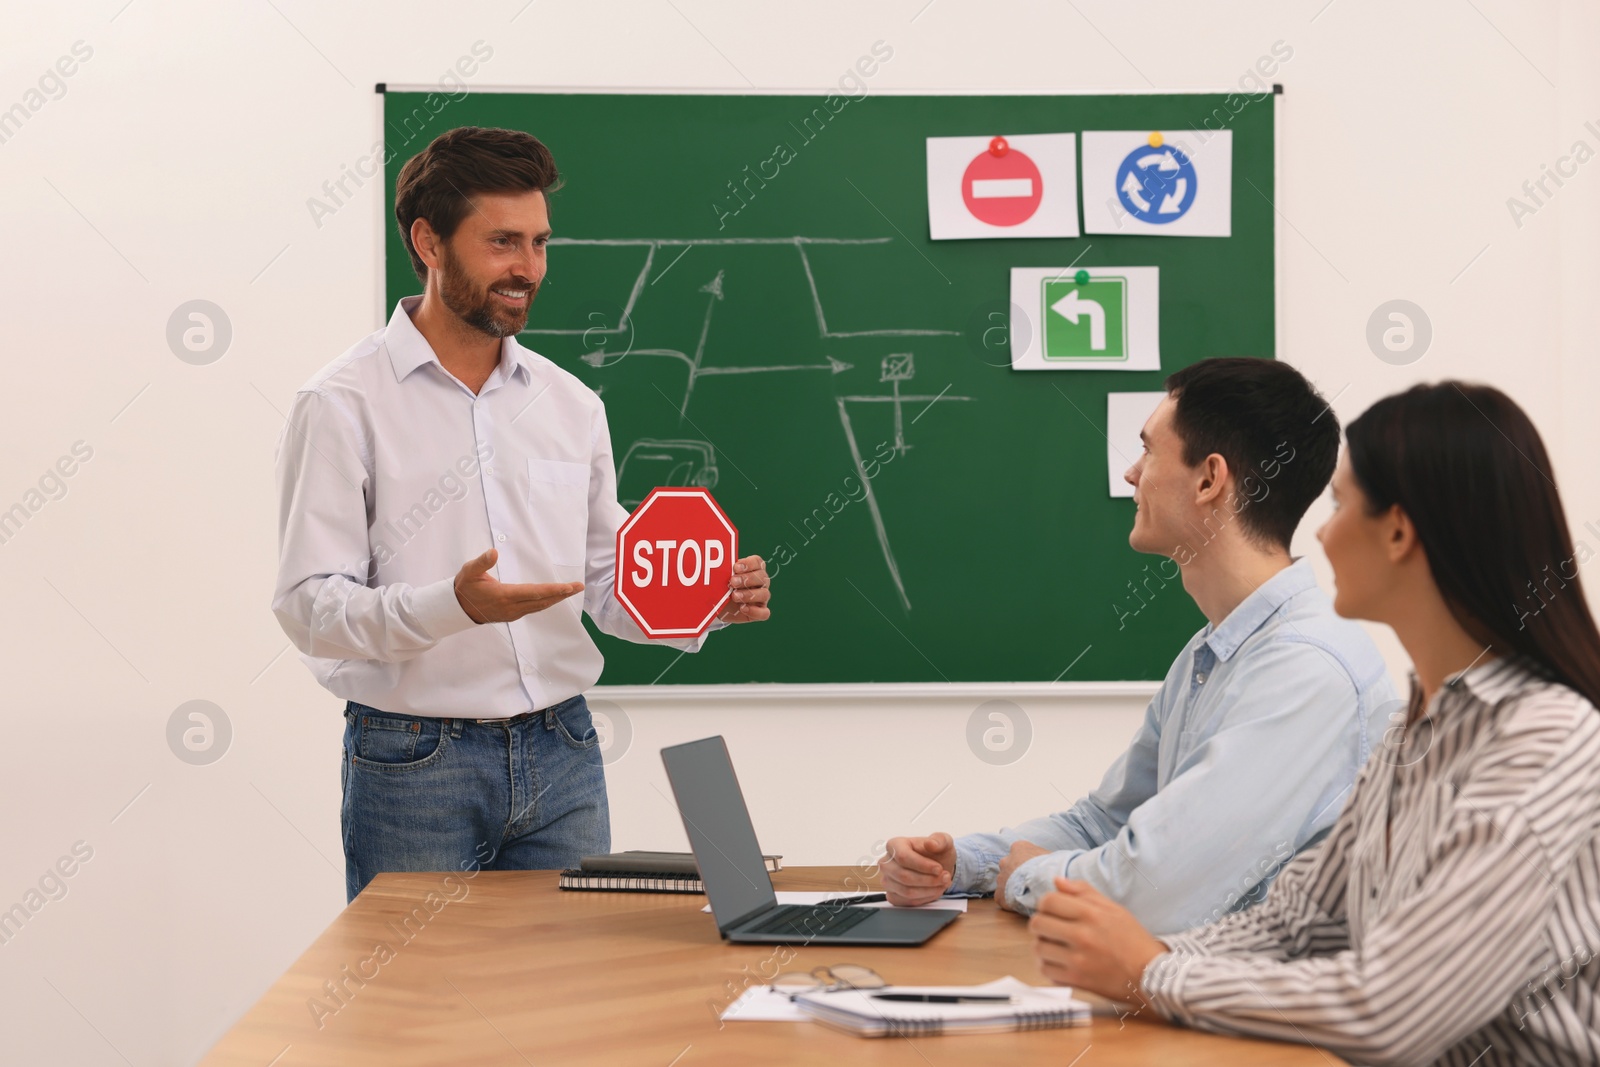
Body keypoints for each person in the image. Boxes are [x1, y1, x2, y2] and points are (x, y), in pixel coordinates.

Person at [1029, 381, 1600, 1066]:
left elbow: (1392, 1008)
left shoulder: (1546, 740)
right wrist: (1147, 960)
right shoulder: (1419, 725)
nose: (1321, 533)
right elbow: (1303, 919)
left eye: (1339, 504)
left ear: (1397, 532)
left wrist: (1151, 973)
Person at [271, 126, 772, 902]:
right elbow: (308, 609)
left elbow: (606, 589)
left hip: (563, 747)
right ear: (428, 241)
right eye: (503, 241)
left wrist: (703, 604)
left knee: (564, 1001)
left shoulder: (570, 404)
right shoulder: (342, 404)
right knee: (421, 1007)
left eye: (539, 242)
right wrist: (453, 607)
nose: (528, 268)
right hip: (413, 761)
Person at [880, 357, 1395, 933]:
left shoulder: (1305, 668)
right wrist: (961, 864)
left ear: (1209, 480)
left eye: (1149, 451)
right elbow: (1105, 823)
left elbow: (1152, 893)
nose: (1131, 474)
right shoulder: (1213, 653)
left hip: (1263, 1011)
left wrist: (1031, 877)